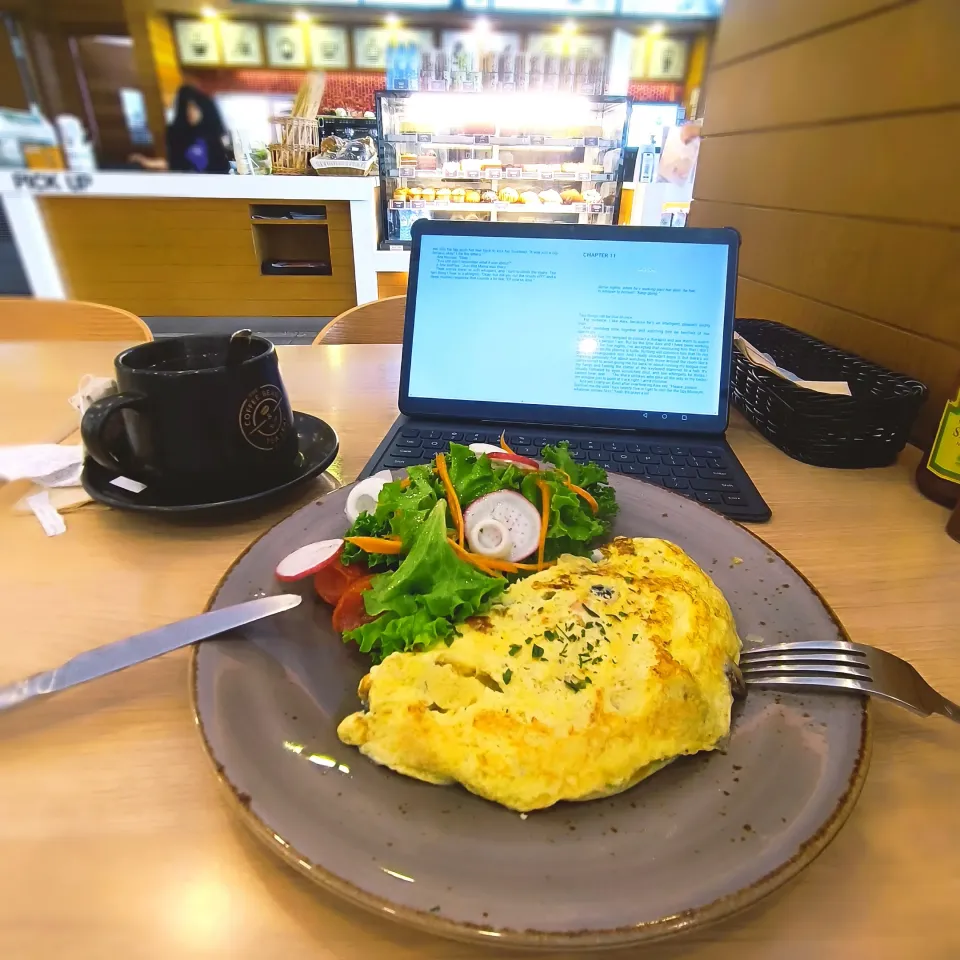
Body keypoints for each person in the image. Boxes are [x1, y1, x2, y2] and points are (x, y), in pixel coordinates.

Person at [130, 85, 231, 174]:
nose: (190, 112)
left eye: (194, 107)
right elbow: (174, 165)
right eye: (186, 108)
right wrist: (146, 162)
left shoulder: (213, 135)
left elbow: (222, 166)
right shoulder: (177, 134)